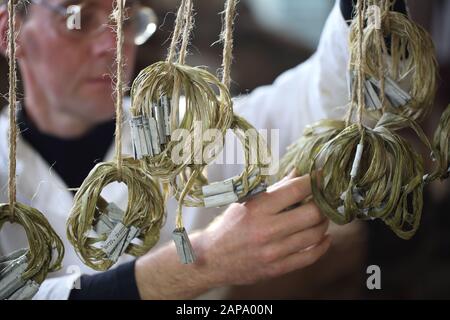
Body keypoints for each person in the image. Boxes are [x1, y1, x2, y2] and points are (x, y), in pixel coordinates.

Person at [0, 0, 355, 299]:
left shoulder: (189, 131)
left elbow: (309, 101)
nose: (112, 44)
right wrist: (201, 263)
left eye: (126, 21)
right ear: (9, 32)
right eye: (77, 19)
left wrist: (358, 14)